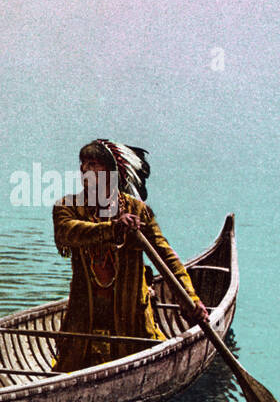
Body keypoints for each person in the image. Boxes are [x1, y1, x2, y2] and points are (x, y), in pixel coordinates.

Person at [52, 139, 209, 372]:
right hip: (83, 320)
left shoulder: (138, 212)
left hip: (132, 320)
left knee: (141, 353)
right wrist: (113, 228)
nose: (85, 170)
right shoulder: (67, 208)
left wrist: (191, 298)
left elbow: (167, 258)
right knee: (71, 365)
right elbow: (68, 232)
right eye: (83, 163)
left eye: (94, 164)